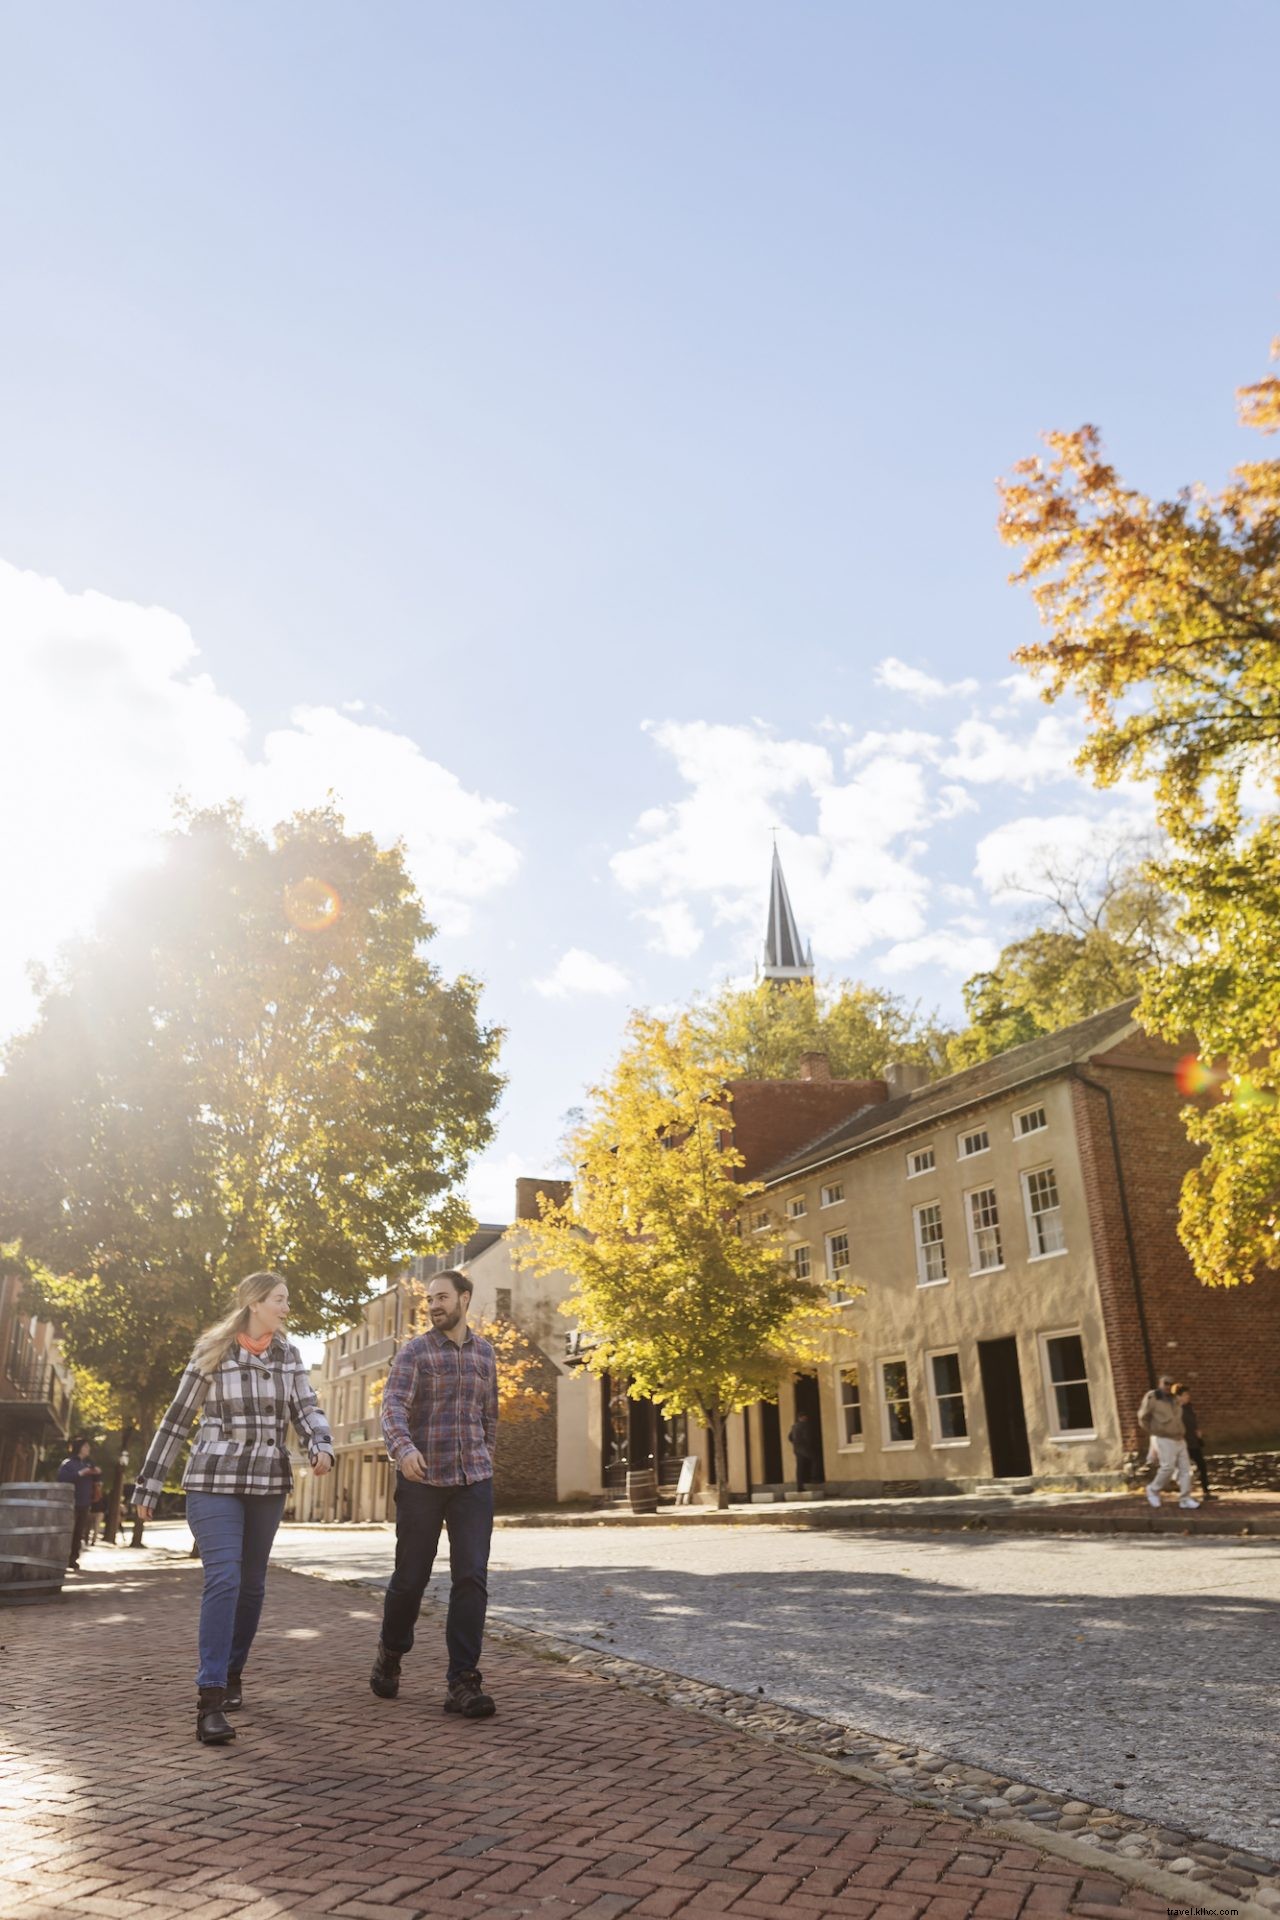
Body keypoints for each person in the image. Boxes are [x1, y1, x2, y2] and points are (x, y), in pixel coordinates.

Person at [132, 1272, 334, 1746]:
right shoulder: (213, 1350)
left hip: (266, 1482)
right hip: (213, 1478)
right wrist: (148, 1483)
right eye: (280, 1300)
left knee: (252, 1586)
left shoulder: (289, 1355)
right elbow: (177, 1419)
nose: (286, 1308)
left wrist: (320, 1444)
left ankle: (233, 1668)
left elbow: (307, 1407)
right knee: (223, 1577)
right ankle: (211, 1698)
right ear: (255, 1303)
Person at [370, 1268, 499, 1719]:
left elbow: (490, 1416)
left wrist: (486, 1458)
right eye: (430, 1300)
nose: (434, 1306)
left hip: (473, 1481)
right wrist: (403, 1450)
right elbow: (393, 1409)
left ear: (465, 1298)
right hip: (422, 1480)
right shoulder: (415, 1353)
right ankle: (391, 1649)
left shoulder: (485, 1353)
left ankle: (462, 1680)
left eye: (442, 1297)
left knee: (471, 1578)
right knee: (411, 1580)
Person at [1136, 1372, 1198, 1511]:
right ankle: (1153, 1489)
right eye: (1165, 1383)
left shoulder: (1175, 1400)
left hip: (1179, 1438)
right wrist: (1154, 1431)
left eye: (1170, 1384)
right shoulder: (1153, 1397)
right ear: (1160, 1384)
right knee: (1167, 1467)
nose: (1168, 1386)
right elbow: (1143, 1417)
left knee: (1185, 1470)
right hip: (1164, 1438)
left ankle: (1185, 1498)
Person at [57, 1438, 96, 1569]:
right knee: (68, 1530)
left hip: (84, 1503)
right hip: (70, 1503)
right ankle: (62, 1557)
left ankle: (73, 1559)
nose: (88, 1449)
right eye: (86, 1446)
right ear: (79, 1448)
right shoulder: (68, 1464)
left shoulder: (88, 1464)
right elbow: (62, 1479)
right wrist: (80, 1473)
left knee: (79, 1532)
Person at [1174, 1384, 1211, 1500]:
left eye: (1188, 1394)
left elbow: (1193, 1422)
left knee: (1202, 1466)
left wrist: (1197, 1432)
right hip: (1183, 1443)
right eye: (1185, 1395)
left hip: (1194, 1442)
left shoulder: (1189, 1408)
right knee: (1183, 1469)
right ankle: (1184, 1494)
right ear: (1178, 1396)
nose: (1188, 1397)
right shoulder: (1175, 1410)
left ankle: (1206, 1491)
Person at [788, 1411, 820, 1496]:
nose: (806, 1418)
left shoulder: (794, 1426)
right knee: (815, 1459)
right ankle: (814, 1478)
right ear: (802, 1418)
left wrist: (795, 1443)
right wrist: (808, 1445)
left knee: (799, 1467)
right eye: (805, 1417)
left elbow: (790, 1437)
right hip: (804, 1448)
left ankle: (799, 1486)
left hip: (797, 1449)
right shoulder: (806, 1425)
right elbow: (807, 1436)